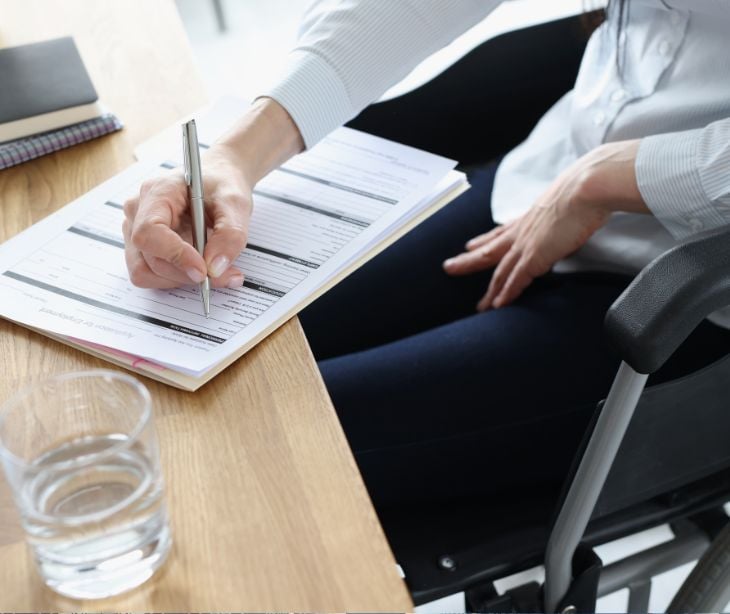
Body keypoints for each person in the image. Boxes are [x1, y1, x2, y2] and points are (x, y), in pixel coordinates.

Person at [123, 0, 730, 510]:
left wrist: (622, 176)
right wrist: (239, 151)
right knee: (183, 354)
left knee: (235, 440)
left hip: (691, 287)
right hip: (551, 181)